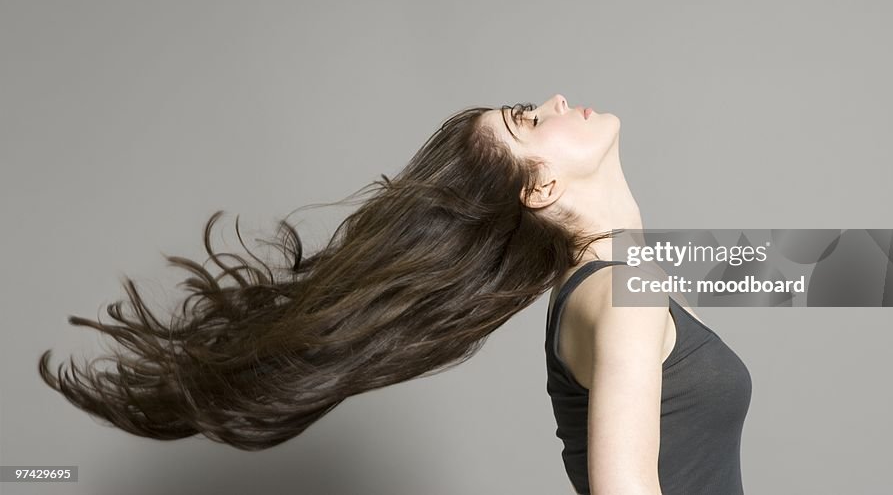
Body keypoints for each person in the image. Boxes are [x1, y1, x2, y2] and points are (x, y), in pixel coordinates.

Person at [38, 93, 751, 494]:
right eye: (530, 120)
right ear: (542, 187)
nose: (555, 100)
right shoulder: (623, 287)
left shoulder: (617, 275)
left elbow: (828, 270)